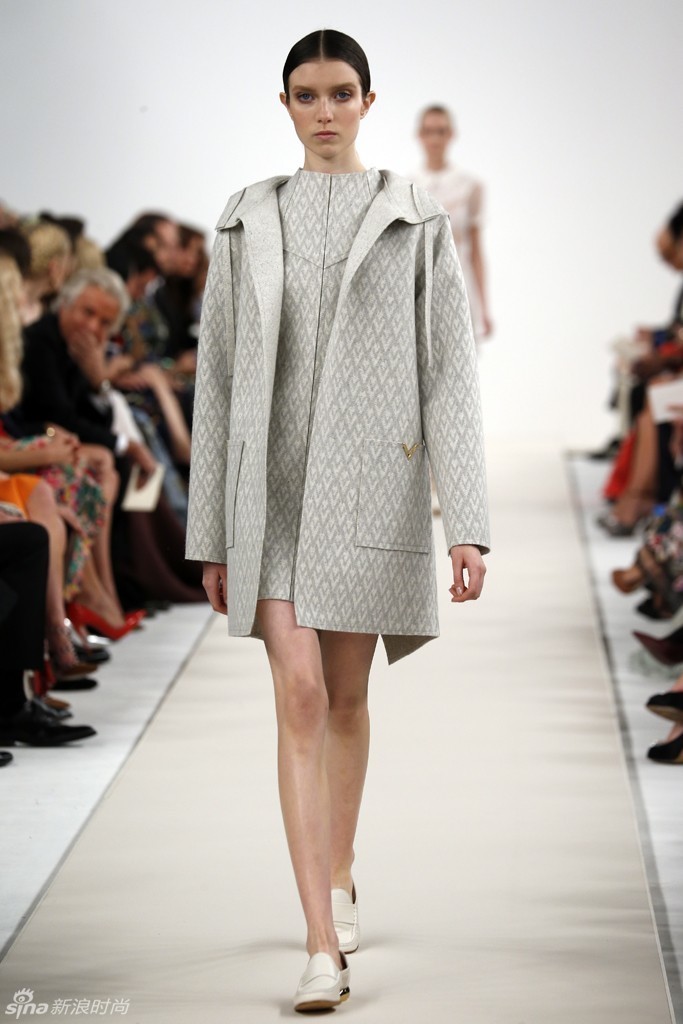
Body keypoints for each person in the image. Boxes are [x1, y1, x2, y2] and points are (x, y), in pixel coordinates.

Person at [186, 29, 490, 1012]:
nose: (324, 111)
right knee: (302, 695)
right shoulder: (245, 219)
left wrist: (467, 522)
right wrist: (208, 533)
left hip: (369, 488)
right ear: (284, 103)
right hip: (268, 495)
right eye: (307, 94)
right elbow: (215, 378)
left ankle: (341, 866)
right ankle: (320, 942)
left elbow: (448, 375)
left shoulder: (413, 218)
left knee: (349, 698)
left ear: (367, 100)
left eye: (340, 93)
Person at [412, 105, 493, 340]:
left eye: (441, 131)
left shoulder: (470, 186)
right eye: (429, 131)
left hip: (460, 286)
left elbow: (476, 250)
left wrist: (485, 307)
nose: (435, 139)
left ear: (451, 134)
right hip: (421, 289)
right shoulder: (408, 186)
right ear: (419, 135)